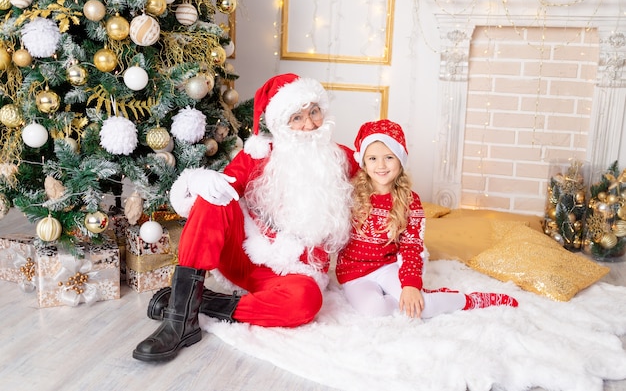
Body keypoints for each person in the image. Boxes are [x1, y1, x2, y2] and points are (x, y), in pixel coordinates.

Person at [133, 73, 359, 362]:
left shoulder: (339, 157)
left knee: (307, 303)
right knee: (215, 195)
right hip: (244, 255)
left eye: (314, 112)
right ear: (281, 125)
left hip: (295, 274)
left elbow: (381, 170)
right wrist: (198, 181)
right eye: (297, 118)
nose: (311, 124)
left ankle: (195, 304)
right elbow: (221, 186)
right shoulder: (259, 155)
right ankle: (179, 322)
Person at [335, 119, 518, 319]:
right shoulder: (351, 194)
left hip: (388, 267)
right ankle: (399, 298)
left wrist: (411, 285)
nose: (381, 165)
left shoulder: (409, 200)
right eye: (372, 159)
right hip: (355, 273)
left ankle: (469, 300)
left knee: (421, 308)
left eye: (389, 157)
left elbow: (412, 245)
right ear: (363, 162)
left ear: (400, 160)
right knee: (375, 310)